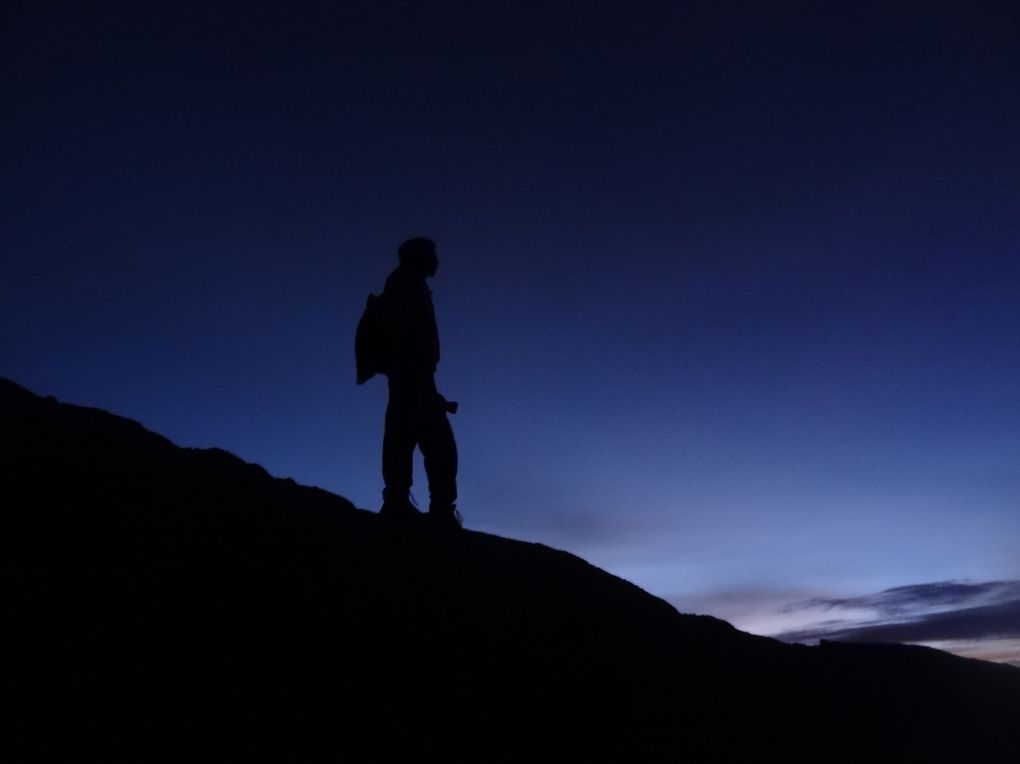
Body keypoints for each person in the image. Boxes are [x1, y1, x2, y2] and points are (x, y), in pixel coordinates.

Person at [378, 237, 460, 529]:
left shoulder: (411, 284)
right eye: (432, 255)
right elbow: (400, 332)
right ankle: (423, 507)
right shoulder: (404, 283)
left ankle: (406, 503)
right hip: (411, 375)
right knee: (435, 444)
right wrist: (413, 372)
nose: (437, 261)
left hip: (415, 375)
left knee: (412, 439)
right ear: (419, 257)